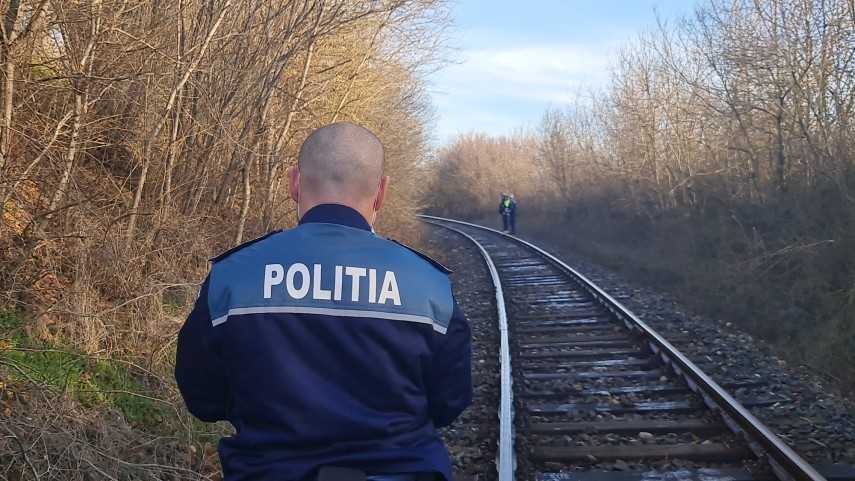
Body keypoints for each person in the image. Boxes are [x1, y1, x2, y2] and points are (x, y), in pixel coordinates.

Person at [175, 122, 472, 481]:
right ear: (381, 192)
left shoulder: (234, 275)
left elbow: (203, 398)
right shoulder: (428, 284)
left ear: (294, 183)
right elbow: (449, 403)